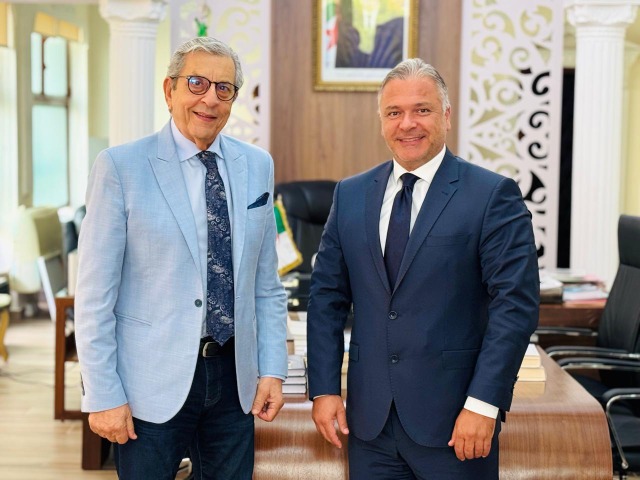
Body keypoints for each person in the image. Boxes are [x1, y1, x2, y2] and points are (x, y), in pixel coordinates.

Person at [307, 58, 539, 479]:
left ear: (446, 116)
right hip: (369, 426)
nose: (407, 124)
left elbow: (515, 306)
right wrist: (323, 388)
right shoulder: (351, 194)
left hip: (455, 423)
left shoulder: (491, 195)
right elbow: (326, 297)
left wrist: (484, 403)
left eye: (422, 110)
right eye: (394, 112)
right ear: (382, 121)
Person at [74, 36, 288, 480]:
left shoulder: (258, 165)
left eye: (224, 88)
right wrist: (102, 393)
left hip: (234, 378)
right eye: (197, 83)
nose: (210, 98)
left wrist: (272, 369)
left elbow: (265, 285)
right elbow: (94, 295)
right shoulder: (120, 167)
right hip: (149, 383)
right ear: (169, 90)